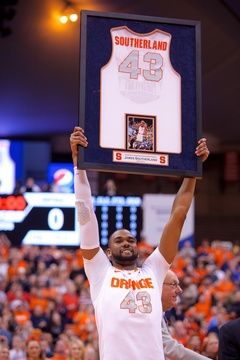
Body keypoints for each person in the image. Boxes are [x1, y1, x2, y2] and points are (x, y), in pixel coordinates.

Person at [70, 126, 209, 360]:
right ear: (108, 252)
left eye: (131, 240)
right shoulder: (100, 272)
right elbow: (85, 213)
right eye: (119, 240)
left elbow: (178, 216)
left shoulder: (153, 270)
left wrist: (192, 171)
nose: (126, 243)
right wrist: (77, 164)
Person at [161, 269, 210, 359]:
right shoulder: (149, 315)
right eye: (173, 285)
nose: (180, 290)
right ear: (158, 286)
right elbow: (170, 349)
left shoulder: (160, 314)